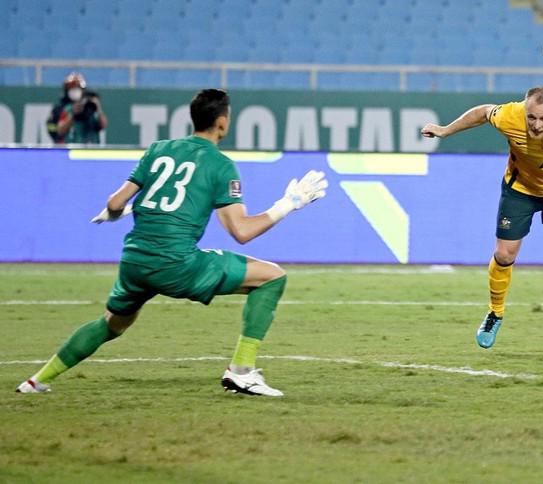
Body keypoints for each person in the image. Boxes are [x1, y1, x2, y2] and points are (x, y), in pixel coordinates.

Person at [18, 88, 327, 397]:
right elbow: (241, 231)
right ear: (222, 122)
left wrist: (116, 213)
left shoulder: (158, 149)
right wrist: (288, 204)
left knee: (112, 323)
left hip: (134, 260)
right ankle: (242, 372)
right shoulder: (221, 165)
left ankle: (36, 381)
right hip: (175, 263)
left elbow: (115, 203)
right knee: (272, 277)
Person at [421, 86, 543, 353]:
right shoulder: (509, 115)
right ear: (524, 111)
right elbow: (482, 112)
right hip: (521, 191)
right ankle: (495, 313)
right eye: (531, 117)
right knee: (504, 254)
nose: (536, 125)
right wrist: (445, 130)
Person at [46, 72, 108, 144]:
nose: (75, 91)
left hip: (91, 147)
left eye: (78, 89)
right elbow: (60, 131)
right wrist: (73, 115)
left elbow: (103, 125)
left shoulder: (90, 107)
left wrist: (98, 108)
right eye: (72, 89)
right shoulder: (67, 108)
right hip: (72, 145)